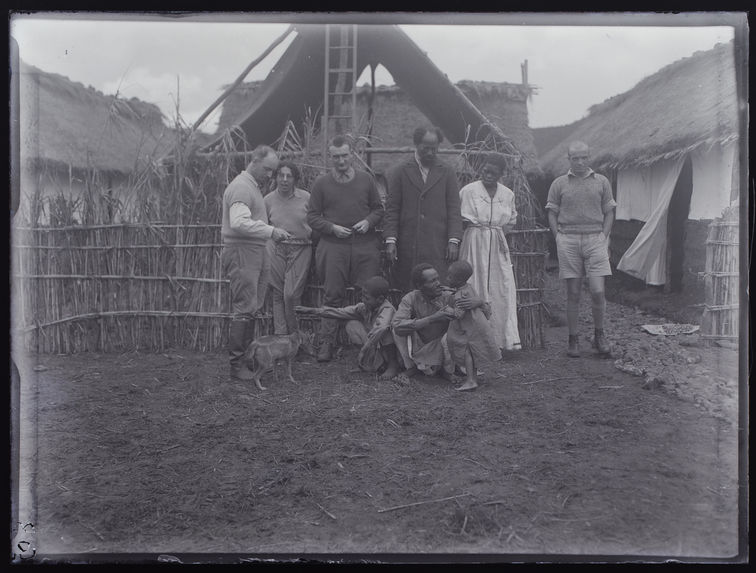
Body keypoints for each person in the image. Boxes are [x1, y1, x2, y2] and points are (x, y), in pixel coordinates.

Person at [306, 135, 385, 362]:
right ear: (330, 157)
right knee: (332, 295)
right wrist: (331, 228)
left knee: (370, 295)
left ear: (352, 155)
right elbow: (312, 217)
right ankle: (326, 344)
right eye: (336, 157)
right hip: (333, 246)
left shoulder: (366, 180)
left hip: (364, 245)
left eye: (344, 156)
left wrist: (368, 221)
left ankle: (372, 343)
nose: (341, 161)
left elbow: (379, 209)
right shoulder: (321, 183)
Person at [221, 145, 292, 380]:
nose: (270, 175)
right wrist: (271, 230)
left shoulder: (252, 186)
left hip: (254, 250)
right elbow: (239, 222)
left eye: (273, 171)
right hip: (242, 251)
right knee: (244, 308)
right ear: (254, 161)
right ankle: (236, 365)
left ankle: (248, 361)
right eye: (268, 169)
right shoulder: (241, 187)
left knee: (252, 307)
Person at [546, 141, 616, 358]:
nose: (579, 162)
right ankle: (573, 339)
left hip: (595, 238)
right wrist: (558, 238)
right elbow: (551, 212)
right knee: (573, 293)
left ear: (589, 157)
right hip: (568, 239)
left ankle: (599, 335)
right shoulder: (559, 183)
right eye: (575, 158)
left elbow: (609, 211)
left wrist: (603, 236)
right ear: (568, 159)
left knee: (597, 291)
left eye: (583, 157)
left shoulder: (601, 181)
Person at [383, 126, 463, 292]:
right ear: (416, 144)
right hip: (409, 243)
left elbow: (454, 208)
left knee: (437, 288)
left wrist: (453, 240)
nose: (430, 153)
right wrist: (391, 241)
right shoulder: (400, 171)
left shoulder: (447, 172)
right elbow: (392, 210)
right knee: (410, 289)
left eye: (434, 149)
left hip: (437, 244)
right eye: (426, 148)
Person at [458, 152, 521, 353]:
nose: (488, 175)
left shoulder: (508, 194)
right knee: (474, 282)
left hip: (497, 243)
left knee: (500, 286)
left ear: (501, 174)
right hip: (475, 239)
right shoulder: (468, 191)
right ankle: (476, 341)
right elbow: (457, 216)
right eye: (485, 171)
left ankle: (502, 340)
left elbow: (511, 220)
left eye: (493, 172)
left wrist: (496, 233)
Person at [295, 276, 400, 380]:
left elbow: (380, 328)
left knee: (385, 330)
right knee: (352, 325)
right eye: (362, 296)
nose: (363, 300)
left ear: (380, 299)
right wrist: (312, 310)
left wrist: (364, 349)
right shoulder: (364, 307)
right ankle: (371, 364)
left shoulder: (387, 309)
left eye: (367, 298)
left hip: (392, 351)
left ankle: (392, 365)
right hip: (377, 349)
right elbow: (340, 312)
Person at [264, 161, 312, 335]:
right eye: (280, 175)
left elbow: (315, 220)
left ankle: (294, 337)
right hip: (276, 248)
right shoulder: (268, 200)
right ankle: (280, 336)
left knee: (290, 295)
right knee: (277, 294)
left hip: (300, 248)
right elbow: (263, 226)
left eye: (289, 176)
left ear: (295, 179)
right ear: (276, 178)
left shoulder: (306, 197)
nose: (284, 180)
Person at [391, 263, 457, 382]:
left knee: (452, 335)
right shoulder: (410, 298)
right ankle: (411, 367)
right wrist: (432, 319)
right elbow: (397, 325)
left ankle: (447, 370)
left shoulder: (449, 296)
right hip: (421, 346)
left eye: (437, 279)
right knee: (397, 330)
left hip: (443, 347)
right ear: (419, 286)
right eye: (432, 281)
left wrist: (480, 304)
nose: (438, 284)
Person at [444, 260, 502, 391]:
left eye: (449, 277)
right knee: (471, 351)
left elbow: (459, 315)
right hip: (475, 325)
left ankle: (471, 380)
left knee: (467, 352)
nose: (446, 279)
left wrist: (447, 309)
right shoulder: (468, 287)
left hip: (469, 328)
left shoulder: (460, 296)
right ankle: (472, 378)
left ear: (458, 280)